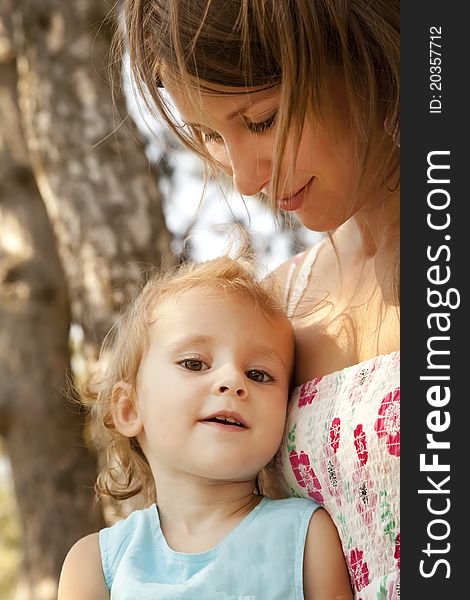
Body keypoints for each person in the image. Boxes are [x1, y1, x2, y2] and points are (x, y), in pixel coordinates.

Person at [122, 1, 400, 597]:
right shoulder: (270, 317)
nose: (246, 180)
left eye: (263, 120)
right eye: (208, 135)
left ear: (368, 58)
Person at [57, 255, 353, 599]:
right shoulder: (97, 564)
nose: (232, 380)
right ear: (129, 408)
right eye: (194, 363)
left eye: (258, 374)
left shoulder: (305, 538)